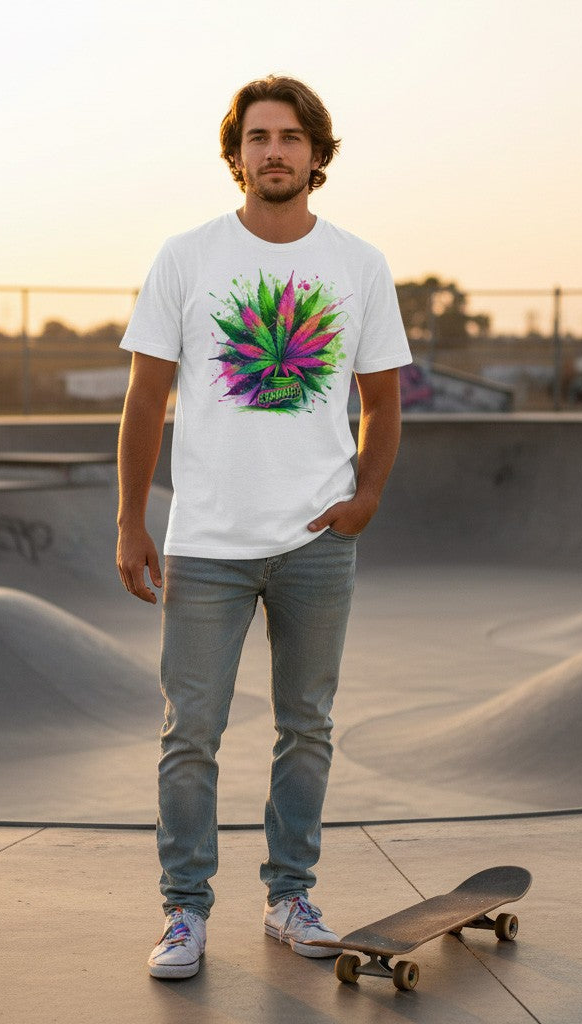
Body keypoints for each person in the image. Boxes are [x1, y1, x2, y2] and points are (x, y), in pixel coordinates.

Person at [116, 74, 411, 980]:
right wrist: (132, 518)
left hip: (316, 541)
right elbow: (145, 397)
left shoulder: (357, 264)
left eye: (289, 138)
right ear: (235, 153)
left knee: (306, 725)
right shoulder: (187, 257)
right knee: (190, 732)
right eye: (256, 138)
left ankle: (290, 895)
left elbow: (384, 398)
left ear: (317, 156)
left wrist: (365, 498)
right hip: (207, 540)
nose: (272, 151)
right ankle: (184, 912)